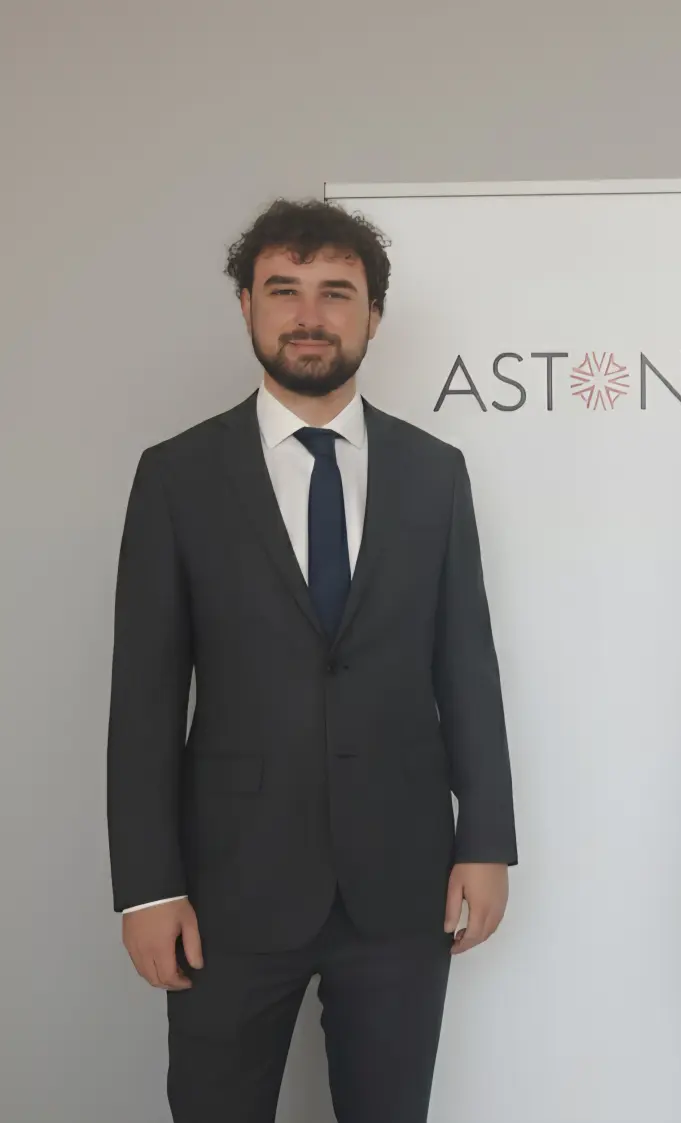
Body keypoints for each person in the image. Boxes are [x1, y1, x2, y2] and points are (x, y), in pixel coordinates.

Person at [106, 198, 517, 1123]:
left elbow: (466, 664)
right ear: (246, 305)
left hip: (402, 879)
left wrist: (487, 839)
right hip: (227, 885)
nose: (309, 314)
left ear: (374, 315)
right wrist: (148, 887)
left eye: (336, 292)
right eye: (283, 289)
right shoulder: (177, 476)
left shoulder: (434, 472)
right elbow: (144, 698)